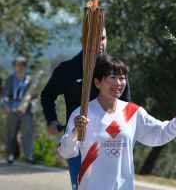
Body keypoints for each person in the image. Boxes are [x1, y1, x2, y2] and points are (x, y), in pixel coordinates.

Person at [58, 55, 176, 190]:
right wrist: (75, 132)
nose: (118, 83)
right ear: (97, 82)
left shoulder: (132, 112)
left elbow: (161, 134)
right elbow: (65, 152)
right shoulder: (83, 113)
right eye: (112, 77)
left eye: (122, 78)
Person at [40, 28, 131, 190]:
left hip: (108, 144)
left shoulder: (115, 70)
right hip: (78, 144)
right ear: (83, 40)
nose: (99, 43)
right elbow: (47, 95)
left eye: (102, 38)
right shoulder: (67, 69)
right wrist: (51, 118)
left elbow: (126, 105)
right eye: (94, 39)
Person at [1, 56, 35, 164]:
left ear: (25, 66)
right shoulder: (9, 80)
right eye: (18, 64)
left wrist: (33, 100)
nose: (20, 67)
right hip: (12, 109)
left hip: (26, 110)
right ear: (14, 66)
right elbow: (4, 95)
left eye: (22, 64)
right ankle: (10, 155)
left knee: (27, 133)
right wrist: (5, 106)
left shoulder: (30, 80)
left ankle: (28, 156)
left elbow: (34, 96)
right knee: (11, 133)